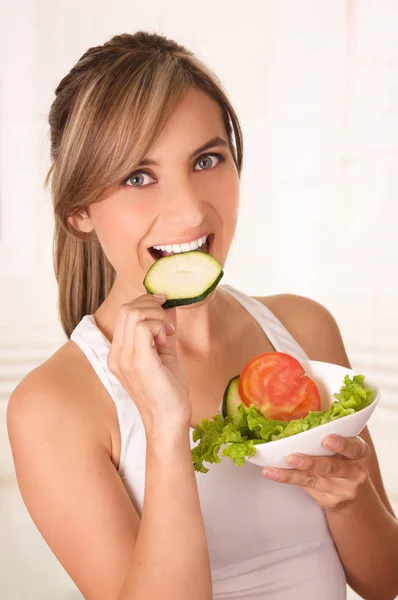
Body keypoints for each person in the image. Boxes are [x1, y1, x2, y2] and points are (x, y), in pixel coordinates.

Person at [6, 31, 398, 600]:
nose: (190, 209)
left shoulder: (306, 331)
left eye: (207, 159)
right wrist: (166, 430)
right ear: (78, 213)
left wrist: (348, 496)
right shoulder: (53, 405)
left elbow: (386, 581)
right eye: (138, 176)